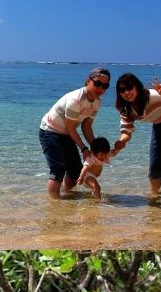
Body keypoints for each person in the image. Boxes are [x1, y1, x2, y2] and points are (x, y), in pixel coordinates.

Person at [112, 73, 161, 203]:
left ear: (137, 86)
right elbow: (127, 130)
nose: (127, 92)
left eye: (129, 87)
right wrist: (122, 141)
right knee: (155, 167)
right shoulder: (126, 109)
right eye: (122, 90)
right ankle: (154, 198)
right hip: (159, 126)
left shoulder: (154, 95)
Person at [39, 67, 111, 199]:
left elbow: (86, 126)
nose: (101, 88)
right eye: (98, 84)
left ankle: (65, 196)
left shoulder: (97, 102)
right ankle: (55, 206)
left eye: (105, 86)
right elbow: (71, 127)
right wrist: (84, 149)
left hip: (67, 133)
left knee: (74, 172)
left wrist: (95, 149)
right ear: (88, 81)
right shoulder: (76, 100)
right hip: (50, 132)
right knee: (58, 171)